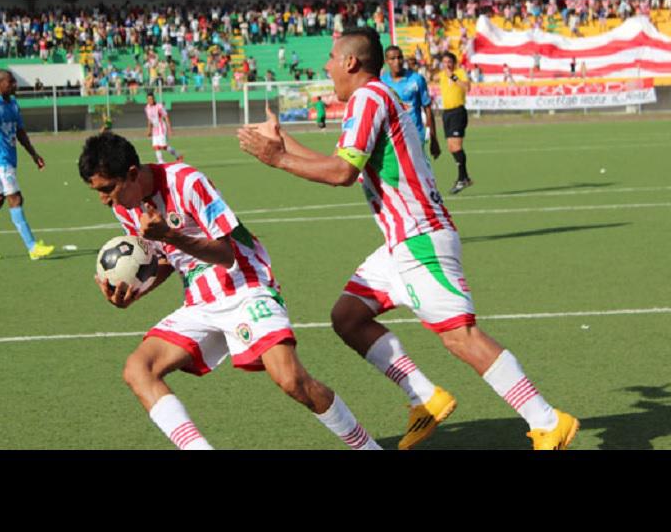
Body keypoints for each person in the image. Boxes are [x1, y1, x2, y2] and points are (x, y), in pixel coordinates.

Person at [237, 28, 579, 451]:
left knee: (461, 337)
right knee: (348, 317)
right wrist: (284, 144)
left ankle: (547, 420)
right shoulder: (373, 98)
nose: (326, 66)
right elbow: (341, 164)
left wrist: (278, 158)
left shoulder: (368, 98)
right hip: (401, 243)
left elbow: (341, 174)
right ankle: (425, 397)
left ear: (350, 62)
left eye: (331, 58)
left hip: (419, 238)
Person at [77, 132, 381, 451]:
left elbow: (226, 254)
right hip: (200, 300)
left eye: (107, 189)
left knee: (292, 380)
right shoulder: (124, 208)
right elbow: (161, 260)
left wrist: (170, 234)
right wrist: (137, 291)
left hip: (245, 284)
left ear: (132, 174)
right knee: (139, 370)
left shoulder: (186, 181)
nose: (105, 200)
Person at [0, 69, 55, 261]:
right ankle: (32, 247)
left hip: (9, 160)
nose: (14, 85)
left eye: (14, 81)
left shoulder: (13, 104)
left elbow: (20, 132)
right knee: (15, 199)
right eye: (10, 82)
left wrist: (34, 154)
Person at [380, 46, 440, 163]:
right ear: (386, 61)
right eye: (393, 58)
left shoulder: (417, 79)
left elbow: (427, 108)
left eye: (400, 57)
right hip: (391, 135)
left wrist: (434, 138)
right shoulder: (382, 81)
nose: (397, 61)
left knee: (415, 168)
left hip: (414, 134)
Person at [438, 51, 473, 194]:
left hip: (458, 111)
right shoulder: (441, 75)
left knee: (457, 146)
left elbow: (467, 87)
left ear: (454, 63)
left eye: (449, 62)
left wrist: (453, 77)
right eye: (444, 62)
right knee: (451, 147)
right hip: (446, 113)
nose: (447, 65)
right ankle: (464, 178)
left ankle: (462, 178)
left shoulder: (459, 73)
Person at [144, 92, 183, 164]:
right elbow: (149, 120)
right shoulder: (147, 108)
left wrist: (170, 129)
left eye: (151, 99)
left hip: (161, 127)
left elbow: (166, 117)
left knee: (164, 146)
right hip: (154, 129)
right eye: (148, 99)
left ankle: (178, 155)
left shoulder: (159, 106)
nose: (150, 101)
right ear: (147, 100)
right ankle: (161, 162)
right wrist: (149, 130)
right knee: (156, 146)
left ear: (154, 99)